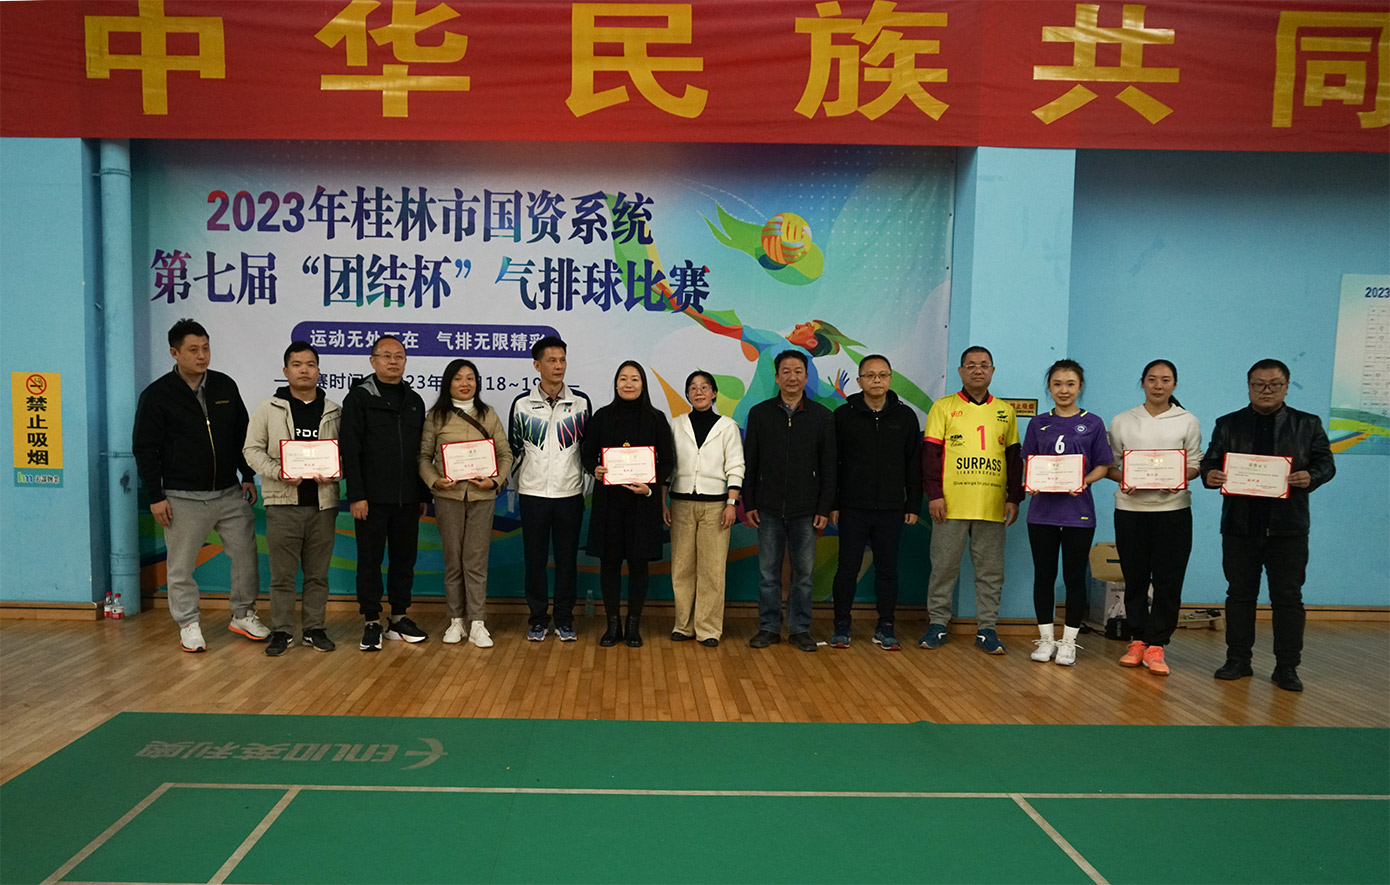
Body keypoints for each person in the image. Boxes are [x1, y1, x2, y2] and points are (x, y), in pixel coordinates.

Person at [1200, 358, 1335, 692]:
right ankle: (1237, 660)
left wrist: (1311, 476)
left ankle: (1286, 667)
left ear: (1287, 387)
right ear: (1248, 387)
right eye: (1258, 384)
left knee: (1288, 598)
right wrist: (1210, 474)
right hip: (1239, 526)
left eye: (1274, 384)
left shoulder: (1307, 424)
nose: (1266, 390)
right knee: (1239, 595)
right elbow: (1210, 461)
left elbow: (1326, 463)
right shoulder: (1228, 424)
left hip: (1288, 528)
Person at [133, 318, 267, 653]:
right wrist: (155, 496)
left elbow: (241, 435)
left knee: (246, 556)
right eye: (193, 350)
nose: (202, 355)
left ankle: (243, 614)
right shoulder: (157, 395)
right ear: (174, 353)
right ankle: (188, 623)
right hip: (181, 497)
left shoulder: (224, 386)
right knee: (181, 566)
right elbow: (145, 449)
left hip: (229, 492)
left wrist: (247, 475)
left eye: (206, 348)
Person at [920, 346, 1022, 655]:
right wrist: (935, 495)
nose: (978, 370)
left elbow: (1013, 459)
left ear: (992, 371)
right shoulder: (944, 407)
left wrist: (1014, 498)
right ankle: (938, 624)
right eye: (971, 365)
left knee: (990, 573)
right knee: (943, 568)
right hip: (950, 505)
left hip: (991, 506)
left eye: (984, 365)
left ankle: (987, 629)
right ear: (961, 371)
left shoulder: (1005, 411)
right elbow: (930, 456)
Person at [242, 341, 342, 656]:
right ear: (285, 371)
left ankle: (314, 629)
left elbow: (347, 453)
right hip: (282, 505)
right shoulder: (268, 408)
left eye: (310, 364)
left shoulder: (334, 410)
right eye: (297, 364)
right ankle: (282, 631)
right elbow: (251, 450)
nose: (304, 370)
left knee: (317, 575)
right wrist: (278, 471)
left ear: (318, 370)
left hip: (322, 505)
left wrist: (335, 472)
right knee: (282, 576)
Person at [1105, 359, 1202, 676]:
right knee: (1134, 577)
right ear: (1142, 383)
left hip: (1173, 511)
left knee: (1168, 580)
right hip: (1130, 510)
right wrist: (1125, 478)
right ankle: (1137, 640)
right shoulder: (1123, 420)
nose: (1158, 385)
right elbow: (1111, 466)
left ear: (1175, 385)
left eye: (1165, 379)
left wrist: (1178, 477)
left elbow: (1195, 464)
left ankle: (1157, 644)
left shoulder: (1187, 420)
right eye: (1152, 379)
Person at [742, 350, 836, 652]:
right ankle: (768, 627)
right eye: (786, 371)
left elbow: (829, 467)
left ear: (806, 377)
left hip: (807, 510)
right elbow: (750, 462)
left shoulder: (823, 416)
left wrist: (824, 507)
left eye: (798, 371)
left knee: (804, 575)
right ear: (777, 376)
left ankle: (799, 629)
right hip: (767, 508)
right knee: (767, 574)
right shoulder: (760, 414)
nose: (792, 377)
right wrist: (750, 503)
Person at [1021, 360, 1113, 666]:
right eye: (1057, 384)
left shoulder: (1094, 423)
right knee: (1044, 576)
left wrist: (1083, 482)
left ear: (1080, 387)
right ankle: (1046, 640)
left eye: (1070, 384)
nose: (1064, 390)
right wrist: (1031, 482)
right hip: (1042, 513)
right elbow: (1029, 461)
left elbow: (1103, 466)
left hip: (1078, 513)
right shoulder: (1038, 423)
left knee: (1074, 578)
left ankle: (1069, 642)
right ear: (1049, 387)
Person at [340, 335, 429, 651]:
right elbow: (350, 449)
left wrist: (423, 495)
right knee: (370, 561)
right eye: (386, 356)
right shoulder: (359, 398)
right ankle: (371, 620)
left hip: (408, 498)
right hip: (371, 499)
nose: (393, 361)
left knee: (404, 560)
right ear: (373, 361)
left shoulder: (414, 400)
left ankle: (399, 617)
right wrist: (356, 495)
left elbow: (421, 452)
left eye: (399, 356)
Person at [828, 355, 921, 651]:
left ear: (890, 379)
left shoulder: (905, 417)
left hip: (892, 508)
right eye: (870, 375)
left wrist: (912, 504)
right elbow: (832, 464)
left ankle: (885, 625)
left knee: (888, 569)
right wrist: (833, 503)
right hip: (852, 507)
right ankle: (841, 624)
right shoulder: (843, 415)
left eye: (882, 375)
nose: (876, 380)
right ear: (859, 381)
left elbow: (913, 464)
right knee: (847, 568)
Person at [419, 358, 513, 648]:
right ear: (448, 383)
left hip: (482, 498)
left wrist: (494, 481)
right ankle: (456, 621)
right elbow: (423, 457)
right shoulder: (436, 416)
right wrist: (435, 481)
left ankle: (478, 623)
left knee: (475, 561)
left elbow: (505, 454)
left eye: (470, 378)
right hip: (448, 498)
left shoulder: (488, 414)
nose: (465, 383)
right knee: (453, 560)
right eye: (458, 378)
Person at [581, 361, 675, 647]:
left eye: (635, 379)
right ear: (616, 383)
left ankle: (633, 624)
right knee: (609, 564)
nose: (628, 384)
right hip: (608, 503)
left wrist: (651, 487)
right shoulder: (602, 416)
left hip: (642, 503)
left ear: (643, 384)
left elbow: (667, 461)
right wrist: (594, 469)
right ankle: (612, 624)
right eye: (623, 378)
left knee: (638, 565)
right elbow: (586, 453)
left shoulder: (656, 418)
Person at [508, 335, 592, 642]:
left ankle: (565, 619)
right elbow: (514, 450)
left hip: (569, 495)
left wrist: (583, 484)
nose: (558, 366)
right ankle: (538, 620)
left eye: (562, 360)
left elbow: (588, 451)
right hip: (533, 495)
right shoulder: (522, 404)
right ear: (537, 365)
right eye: (552, 360)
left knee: (567, 561)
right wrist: (520, 484)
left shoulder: (581, 403)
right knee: (535, 561)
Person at [663, 370, 744, 647]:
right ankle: (683, 625)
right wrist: (663, 501)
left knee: (712, 570)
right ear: (687, 394)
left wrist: (732, 504)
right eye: (693, 388)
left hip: (716, 507)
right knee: (682, 568)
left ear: (714, 393)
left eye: (704, 387)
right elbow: (668, 467)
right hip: (681, 504)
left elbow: (736, 467)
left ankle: (708, 628)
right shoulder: (676, 425)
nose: (699, 392)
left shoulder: (728, 427)